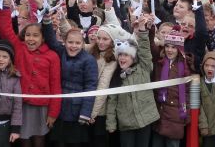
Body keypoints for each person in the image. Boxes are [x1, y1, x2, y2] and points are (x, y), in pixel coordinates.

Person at [0, 0, 61, 147]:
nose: (31, 39)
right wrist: (5, 7)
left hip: (41, 107)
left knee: (39, 140)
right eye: (28, 35)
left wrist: (53, 113)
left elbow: (56, 86)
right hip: (21, 105)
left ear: (43, 38)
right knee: (23, 140)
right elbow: (5, 29)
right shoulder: (19, 48)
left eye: (35, 35)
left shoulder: (52, 56)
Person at [42, 20, 99, 147]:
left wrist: (85, 112)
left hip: (77, 112)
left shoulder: (89, 60)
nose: (73, 46)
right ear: (64, 42)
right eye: (70, 42)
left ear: (83, 43)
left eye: (78, 43)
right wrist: (46, 19)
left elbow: (90, 87)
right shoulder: (61, 52)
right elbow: (51, 39)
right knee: (58, 142)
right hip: (60, 108)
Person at [106, 14, 160, 147]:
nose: (122, 58)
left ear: (133, 58)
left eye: (126, 55)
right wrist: (111, 123)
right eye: (120, 55)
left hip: (145, 120)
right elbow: (112, 102)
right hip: (126, 123)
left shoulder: (144, 68)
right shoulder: (116, 77)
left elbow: (145, 50)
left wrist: (142, 30)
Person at [151, 27, 192, 147]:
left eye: (174, 47)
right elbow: (149, 45)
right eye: (167, 46)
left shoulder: (186, 66)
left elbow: (188, 93)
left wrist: (187, 114)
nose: (169, 50)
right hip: (160, 113)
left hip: (176, 116)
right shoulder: (159, 62)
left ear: (179, 49)